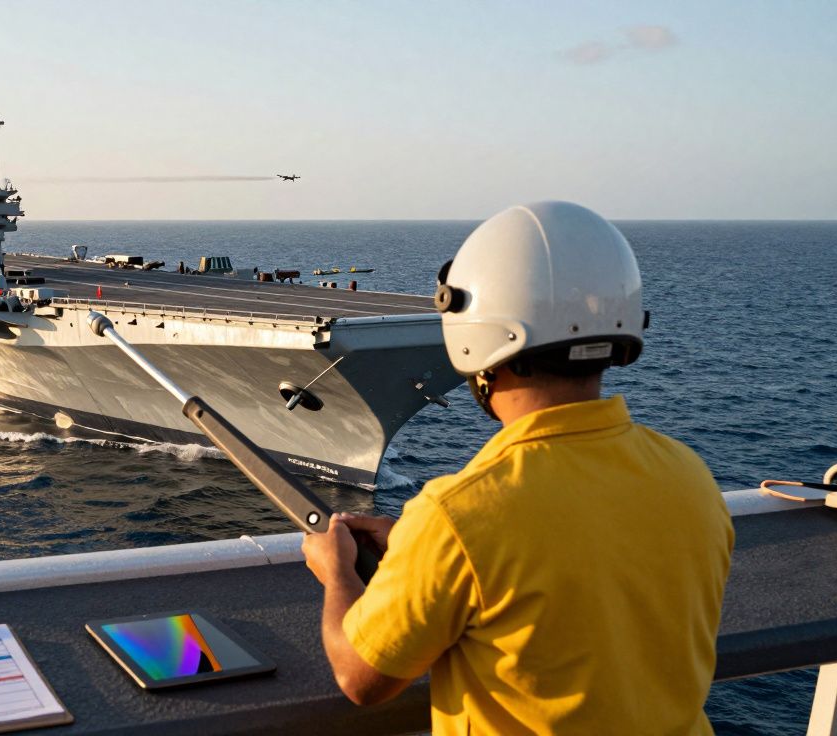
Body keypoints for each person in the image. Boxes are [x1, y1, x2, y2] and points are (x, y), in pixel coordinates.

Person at [301, 201, 733, 734]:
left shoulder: (458, 514)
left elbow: (360, 676)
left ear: (474, 334)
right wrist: (416, 547)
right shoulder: (689, 476)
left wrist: (336, 571)